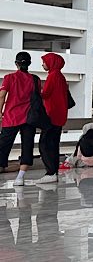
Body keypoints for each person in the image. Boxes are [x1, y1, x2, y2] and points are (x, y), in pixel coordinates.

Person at [0, 52, 42, 186]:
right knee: (27, 145)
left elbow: (2, 96)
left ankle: (1, 166)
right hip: (29, 118)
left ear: (16, 64)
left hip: (11, 116)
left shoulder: (9, 78)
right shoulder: (35, 79)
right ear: (29, 64)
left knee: (3, 144)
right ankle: (20, 177)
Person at [37, 52, 68, 184]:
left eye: (44, 61)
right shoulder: (60, 76)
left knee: (44, 144)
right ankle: (53, 172)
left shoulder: (53, 75)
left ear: (51, 62)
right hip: (60, 116)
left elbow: (45, 93)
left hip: (51, 115)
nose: (43, 64)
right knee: (54, 145)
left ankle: (50, 172)